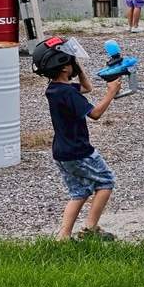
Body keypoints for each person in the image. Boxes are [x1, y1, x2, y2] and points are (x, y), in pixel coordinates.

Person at [32, 37, 122, 241]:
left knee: (79, 192)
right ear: (63, 67)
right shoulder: (68, 94)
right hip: (79, 152)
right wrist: (111, 92)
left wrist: (75, 65)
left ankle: (63, 237)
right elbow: (95, 114)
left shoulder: (55, 89)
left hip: (62, 152)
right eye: (71, 61)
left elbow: (87, 87)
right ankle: (90, 229)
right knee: (105, 183)